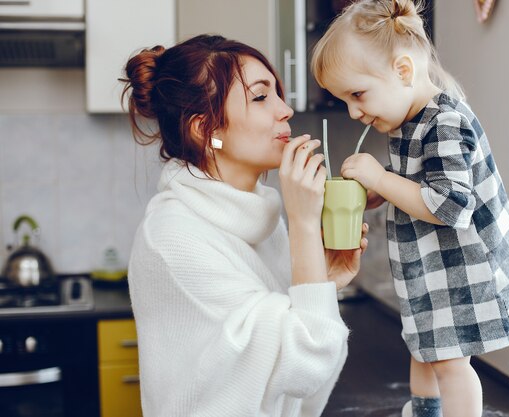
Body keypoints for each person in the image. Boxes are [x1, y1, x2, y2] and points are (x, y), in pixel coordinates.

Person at [310, 1, 509, 417]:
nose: (354, 111)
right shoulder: (409, 119)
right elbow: (423, 183)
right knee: (425, 349)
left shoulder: (445, 122)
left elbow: (450, 205)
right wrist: (382, 189)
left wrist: (381, 179)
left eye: (357, 93)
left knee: (451, 364)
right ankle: (425, 411)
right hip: (437, 272)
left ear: (402, 71)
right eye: (344, 99)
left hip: (466, 271)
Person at [121, 34, 369, 417]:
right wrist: (304, 222)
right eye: (260, 97)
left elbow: (301, 381)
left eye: (277, 93)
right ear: (206, 130)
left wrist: (322, 279)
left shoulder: (259, 219)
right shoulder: (173, 238)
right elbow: (307, 363)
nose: (285, 110)